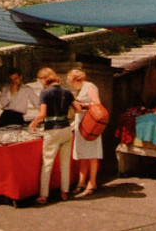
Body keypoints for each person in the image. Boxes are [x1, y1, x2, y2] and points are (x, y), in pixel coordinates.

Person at [29, 67, 81, 205]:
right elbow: (78, 108)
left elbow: (42, 114)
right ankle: (64, 192)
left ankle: (43, 195)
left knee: (47, 163)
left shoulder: (45, 93)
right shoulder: (67, 91)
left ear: (44, 79)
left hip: (52, 130)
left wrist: (33, 124)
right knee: (65, 163)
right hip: (66, 129)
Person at [67, 69, 104, 197]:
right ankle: (81, 182)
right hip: (82, 125)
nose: (70, 84)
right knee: (83, 154)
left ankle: (92, 182)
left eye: (71, 81)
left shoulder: (90, 86)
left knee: (92, 155)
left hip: (90, 125)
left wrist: (81, 105)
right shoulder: (81, 88)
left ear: (76, 80)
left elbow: (97, 104)